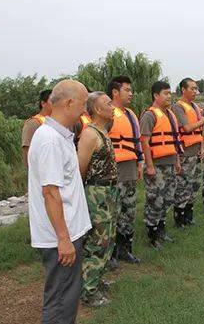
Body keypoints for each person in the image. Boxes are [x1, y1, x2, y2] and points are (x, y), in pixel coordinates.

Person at [27, 80, 92, 323]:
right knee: (60, 299)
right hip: (60, 236)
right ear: (68, 103)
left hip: (68, 231)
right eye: (83, 104)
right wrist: (63, 239)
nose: (85, 110)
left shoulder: (60, 136)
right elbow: (50, 192)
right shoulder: (50, 140)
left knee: (67, 295)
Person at [76, 91, 118, 307]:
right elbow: (80, 169)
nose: (112, 106)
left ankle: (97, 279)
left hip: (109, 192)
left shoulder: (103, 130)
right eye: (108, 103)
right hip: (97, 193)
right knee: (97, 241)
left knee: (108, 239)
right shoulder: (90, 134)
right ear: (97, 109)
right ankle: (88, 291)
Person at [139, 81, 182, 249]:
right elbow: (145, 141)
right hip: (157, 165)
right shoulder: (150, 115)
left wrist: (177, 160)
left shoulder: (170, 115)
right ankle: (152, 234)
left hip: (170, 163)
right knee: (155, 199)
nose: (169, 96)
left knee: (168, 198)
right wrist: (149, 166)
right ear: (156, 95)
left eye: (170, 93)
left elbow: (175, 140)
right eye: (165, 93)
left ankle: (161, 229)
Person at [107, 76, 142, 264]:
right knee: (114, 211)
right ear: (115, 92)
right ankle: (110, 253)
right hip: (113, 169)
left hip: (129, 167)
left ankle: (125, 248)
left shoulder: (130, 113)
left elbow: (136, 141)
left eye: (131, 90)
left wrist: (140, 162)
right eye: (127, 90)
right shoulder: (107, 113)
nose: (131, 93)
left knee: (129, 210)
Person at [171, 78, 204, 227]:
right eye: (192, 88)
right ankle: (179, 218)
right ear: (183, 90)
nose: (195, 91)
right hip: (185, 154)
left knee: (194, 185)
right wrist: (203, 120)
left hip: (196, 152)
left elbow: (200, 131)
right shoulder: (178, 107)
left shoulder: (194, 107)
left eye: (196, 89)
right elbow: (186, 128)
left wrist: (203, 148)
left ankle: (189, 214)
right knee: (183, 186)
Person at [22, 89, 52, 167]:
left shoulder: (59, 122)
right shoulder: (33, 123)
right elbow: (27, 151)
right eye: (52, 101)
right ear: (43, 103)